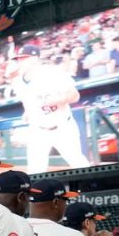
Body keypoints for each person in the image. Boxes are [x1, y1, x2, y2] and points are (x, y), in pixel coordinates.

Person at [9, 44, 90, 173]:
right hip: (38, 130)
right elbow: (26, 100)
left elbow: (75, 95)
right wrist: (28, 111)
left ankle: (95, 190)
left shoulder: (53, 73)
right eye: (18, 59)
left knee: (78, 163)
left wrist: (57, 100)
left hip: (63, 127)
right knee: (35, 170)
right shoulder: (18, 82)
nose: (20, 61)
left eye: (24, 58)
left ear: (35, 59)